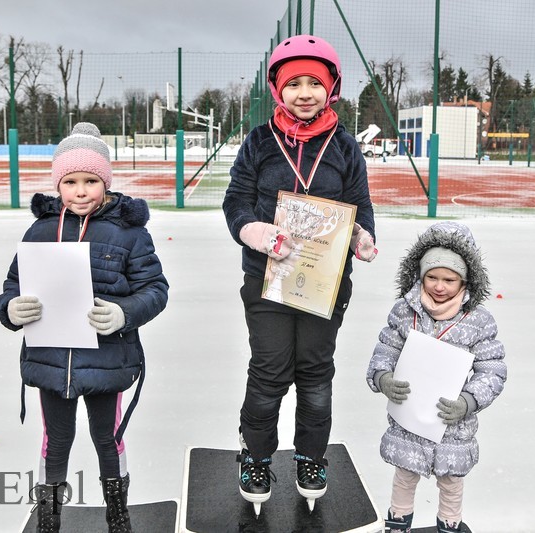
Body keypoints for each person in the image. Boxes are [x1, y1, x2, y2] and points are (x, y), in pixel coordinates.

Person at [222, 34, 377, 514]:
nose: (304, 92)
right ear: (278, 90)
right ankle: (256, 454)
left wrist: (361, 236)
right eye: (294, 84)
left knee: (315, 374)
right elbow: (236, 202)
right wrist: (254, 231)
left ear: (331, 88)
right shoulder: (259, 142)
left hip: (325, 285)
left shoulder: (345, 146)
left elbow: (360, 204)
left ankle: (311, 456)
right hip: (268, 279)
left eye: (315, 82)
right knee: (269, 372)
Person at [0, 122, 169, 533]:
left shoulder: (129, 234)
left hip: (106, 362)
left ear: (105, 182)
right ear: (59, 184)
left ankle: (117, 513)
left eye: (90, 180)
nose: (80, 191)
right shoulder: (39, 231)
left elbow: (156, 289)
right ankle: (49, 517)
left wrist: (124, 313)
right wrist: (10, 309)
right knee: (55, 441)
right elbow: (12, 285)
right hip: (50, 363)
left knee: (107, 438)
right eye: (70, 181)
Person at [366, 221, 506, 533]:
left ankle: (449, 526)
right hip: (410, 421)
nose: (439, 286)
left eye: (449, 279)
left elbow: (492, 370)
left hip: (452, 427)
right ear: (420, 275)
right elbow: (386, 349)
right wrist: (383, 378)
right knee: (404, 477)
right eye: (432, 277)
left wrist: (468, 401)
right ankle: (397, 525)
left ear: (465, 281)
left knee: (452, 482)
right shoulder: (405, 311)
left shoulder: (478, 322)